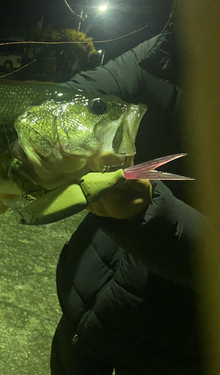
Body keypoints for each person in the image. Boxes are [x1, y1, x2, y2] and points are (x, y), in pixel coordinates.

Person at [49, 6, 208, 375]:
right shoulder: (176, 48)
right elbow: (77, 94)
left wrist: (148, 213)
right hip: (80, 323)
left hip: (166, 355)